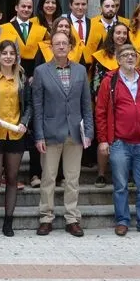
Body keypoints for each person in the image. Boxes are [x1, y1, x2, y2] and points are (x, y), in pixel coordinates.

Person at [96, 43, 140, 238]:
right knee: (120, 186)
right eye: (125, 55)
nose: (129, 58)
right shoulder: (110, 81)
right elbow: (101, 112)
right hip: (119, 142)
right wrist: (103, 140)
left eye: (132, 55)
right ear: (118, 60)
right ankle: (122, 221)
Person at [32, 29, 93, 237]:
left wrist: (89, 132)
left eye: (64, 43)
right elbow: (37, 106)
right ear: (51, 47)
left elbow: (86, 104)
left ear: (70, 47)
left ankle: (71, 218)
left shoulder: (80, 71)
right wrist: (38, 135)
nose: (60, 46)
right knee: (48, 177)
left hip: (75, 133)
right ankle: (46, 217)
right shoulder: (41, 71)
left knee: (72, 178)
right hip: (50, 133)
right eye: (56, 43)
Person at [0, 40, 30, 237]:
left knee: (12, 179)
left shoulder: (22, 77)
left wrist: (25, 122)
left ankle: (8, 221)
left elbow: (28, 105)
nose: (8, 56)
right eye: (5, 53)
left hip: (15, 133)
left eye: (12, 53)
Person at [89, 21, 130, 187]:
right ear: (111, 35)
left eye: (124, 33)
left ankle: (126, 173)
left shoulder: (132, 55)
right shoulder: (101, 55)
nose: (121, 36)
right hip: (106, 102)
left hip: (126, 103)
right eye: (117, 33)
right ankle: (101, 173)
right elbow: (95, 80)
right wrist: (99, 99)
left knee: (127, 138)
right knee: (104, 137)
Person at [83, 0, 130, 64]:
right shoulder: (91, 24)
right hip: (97, 65)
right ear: (101, 9)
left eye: (113, 6)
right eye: (107, 6)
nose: (110, 9)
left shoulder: (124, 24)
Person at [10, 0, 47, 76]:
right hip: (11, 73)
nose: (26, 9)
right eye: (23, 6)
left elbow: (43, 56)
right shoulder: (5, 28)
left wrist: (35, 75)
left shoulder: (41, 30)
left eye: (29, 7)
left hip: (35, 74)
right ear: (16, 8)